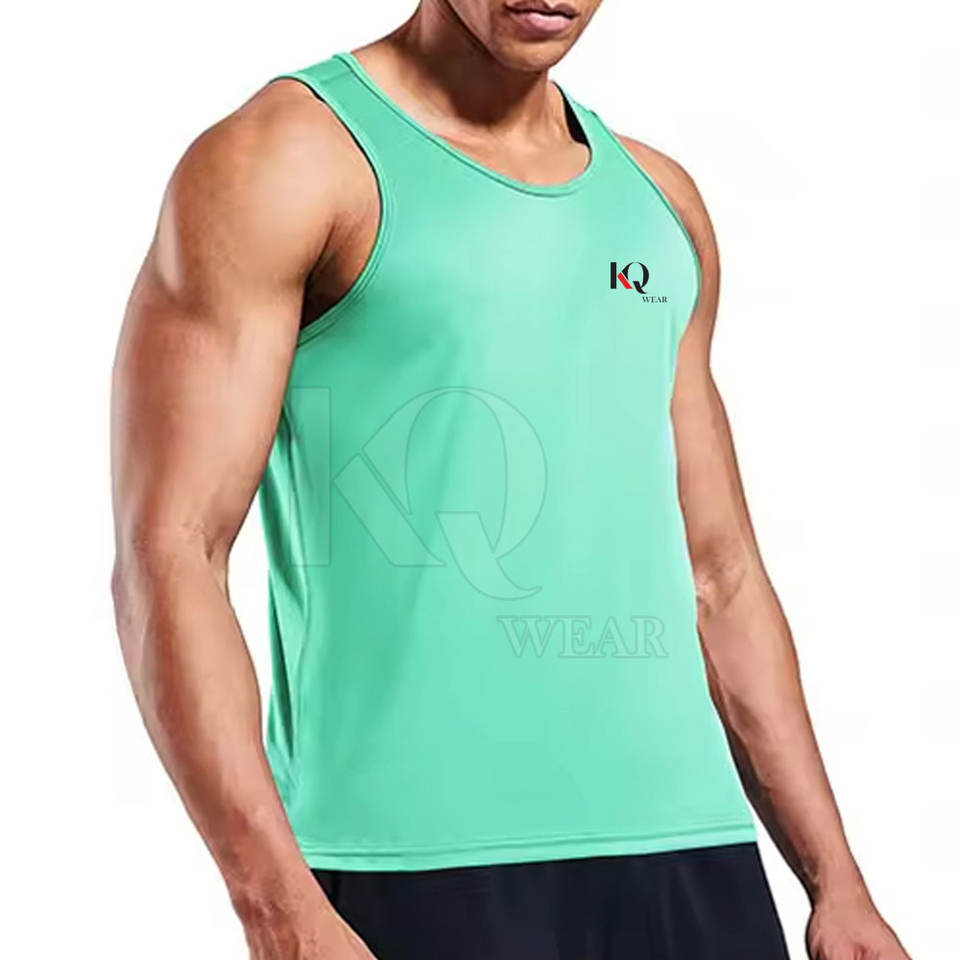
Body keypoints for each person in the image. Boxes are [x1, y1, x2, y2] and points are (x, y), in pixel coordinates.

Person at [110, 2, 911, 958]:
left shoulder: (660, 205)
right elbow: (173, 552)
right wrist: (276, 904)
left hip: (690, 850)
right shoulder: (287, 160)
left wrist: (837, 882)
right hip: (407, 863)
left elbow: (721, 572)